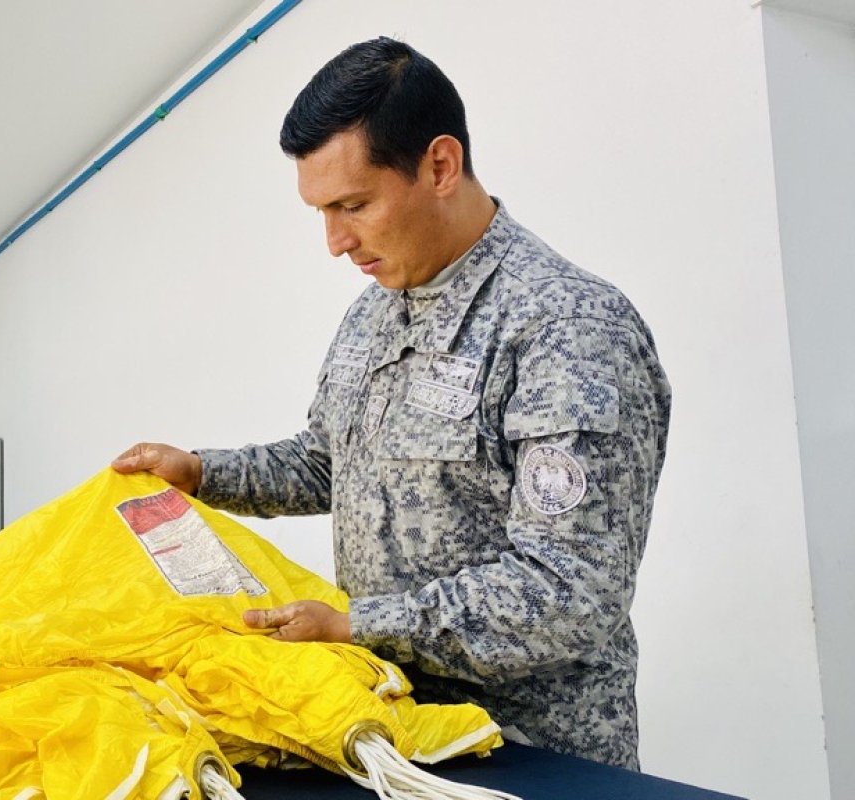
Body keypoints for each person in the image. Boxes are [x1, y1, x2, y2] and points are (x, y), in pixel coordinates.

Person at [112, 37, 670, 771]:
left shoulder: (565, 328)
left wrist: (356, 625)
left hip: (533, 753)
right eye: (321, 212)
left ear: (440, 166)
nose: (336, 243)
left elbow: (568, 590)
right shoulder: (377, 313)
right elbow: (326, 462)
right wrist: (201, 472)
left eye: (354, 205)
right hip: (397, 732)